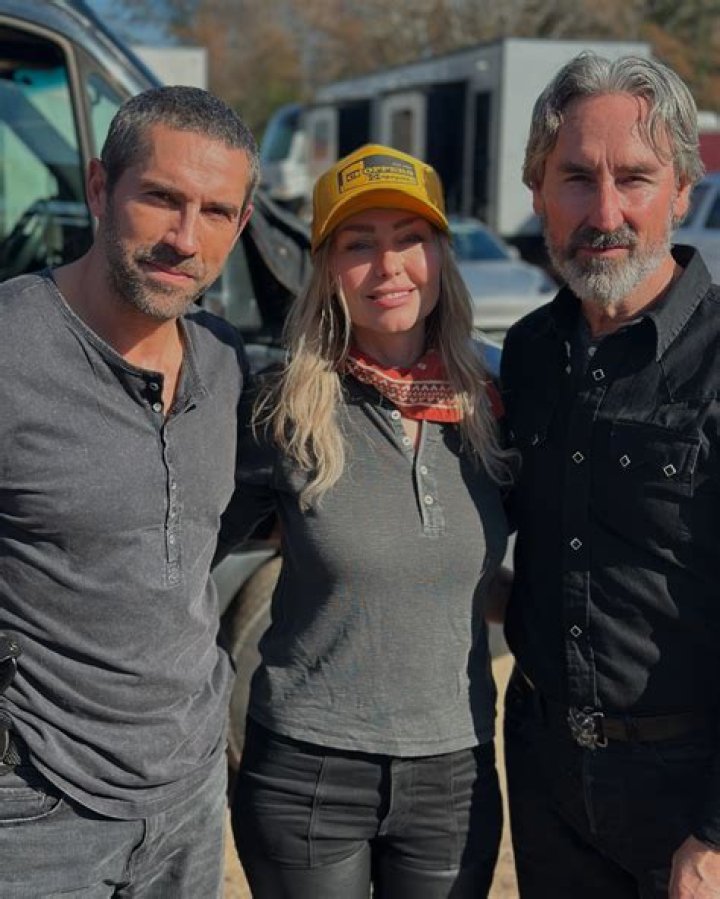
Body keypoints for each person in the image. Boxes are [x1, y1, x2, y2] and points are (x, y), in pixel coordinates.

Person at [215, 143, 512, 898]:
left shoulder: (497, 404)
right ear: (326, 268)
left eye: (410, 238)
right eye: (358, 244)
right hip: (306, 776)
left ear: (440, 255)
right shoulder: (280, 407)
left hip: (453, 775)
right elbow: (184, 553)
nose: (389, 266)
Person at [0, 85, 258, 896]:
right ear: (99, 187)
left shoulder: (225, 362)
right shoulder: (10, 347)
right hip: (36, 809)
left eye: (215, 212)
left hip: (190, 796)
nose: (185, 238)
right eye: (161, 198)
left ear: (242, 224)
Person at [500, 52, 720, 898]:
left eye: (634, 178)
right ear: (537, 190)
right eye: (576, 178)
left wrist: (715, 835)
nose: (605, 212)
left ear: (683, 190)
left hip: (688, 794)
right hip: (547, 777)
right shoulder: (528, 354)